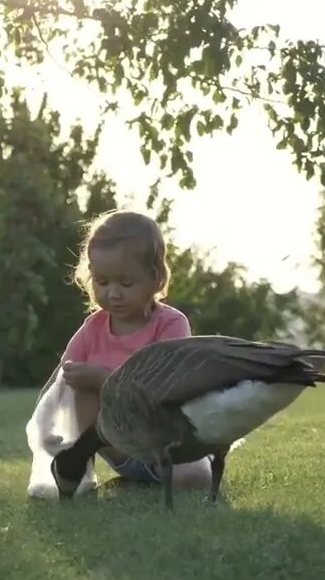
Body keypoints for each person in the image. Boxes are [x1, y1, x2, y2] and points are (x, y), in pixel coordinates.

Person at [56, 209, 213, 491]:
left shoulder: (171, 324)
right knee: (80, 388)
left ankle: (157, 478)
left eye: (125, 283)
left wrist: (105, 379)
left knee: (195, 479)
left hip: (169, 449)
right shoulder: (93, 328)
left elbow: (165, 390)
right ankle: (81, 470)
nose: (113, 293)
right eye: (102, 282)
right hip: (120, 450)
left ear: (156, 280)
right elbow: (60, 379)